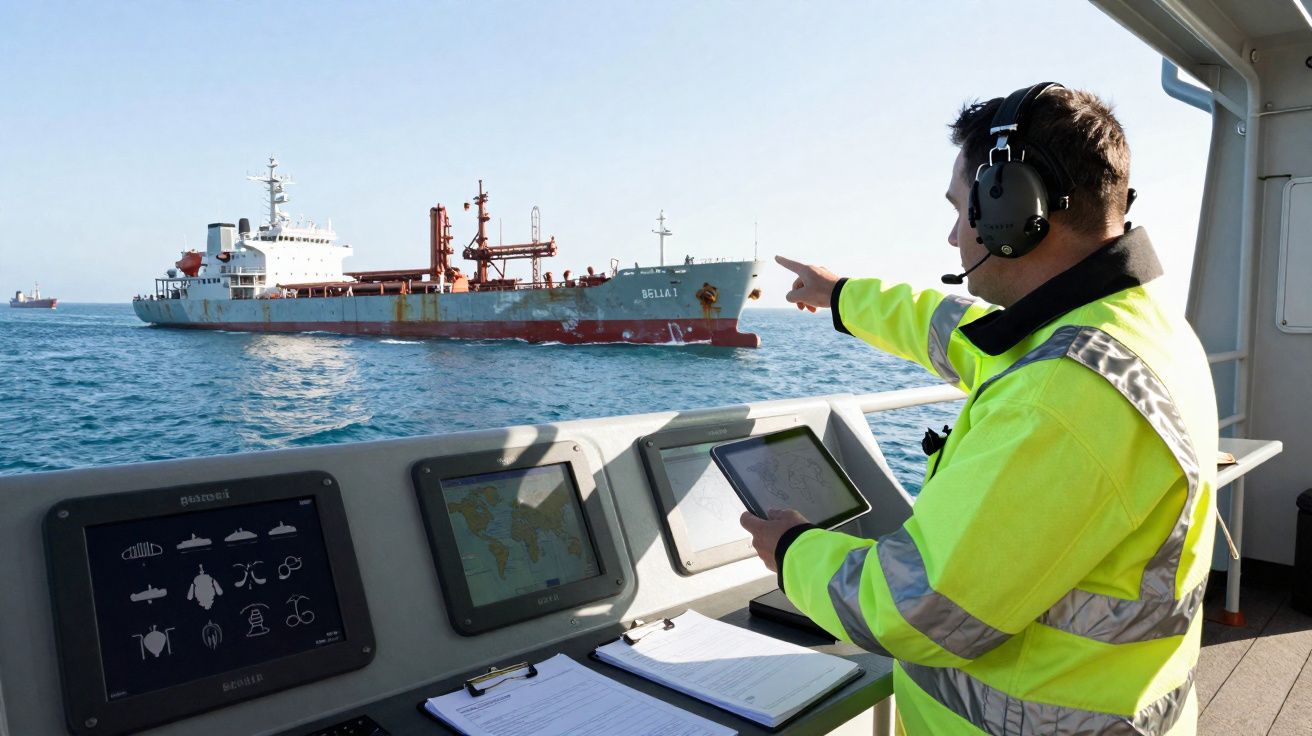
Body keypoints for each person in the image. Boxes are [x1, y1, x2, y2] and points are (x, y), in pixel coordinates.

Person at [741, 83, 1218, 735]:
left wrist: (791, 548)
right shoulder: (1132, 331)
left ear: (1011, 210)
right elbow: (954, 334)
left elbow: (914, 610)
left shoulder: (1061, 396)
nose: (951, 236)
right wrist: (841, 297)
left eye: (961, 210)